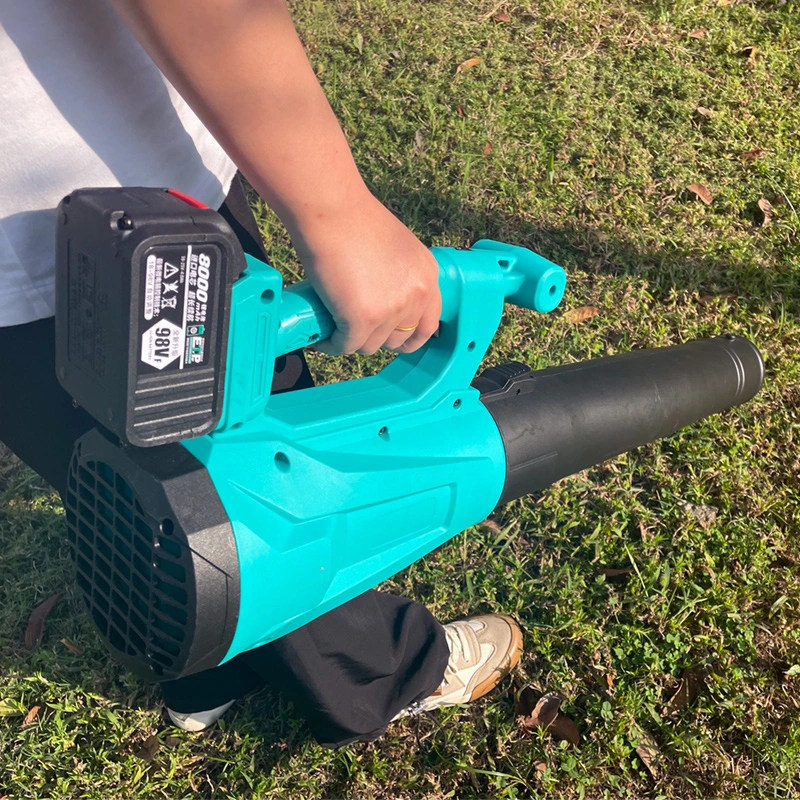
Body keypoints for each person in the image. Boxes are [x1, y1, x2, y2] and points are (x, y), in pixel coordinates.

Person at [0, 0, 522, 748]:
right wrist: (339, 211)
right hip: (128, 205)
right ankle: (380, 674)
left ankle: (206, 669)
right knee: (268, 500)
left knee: (104, 473)